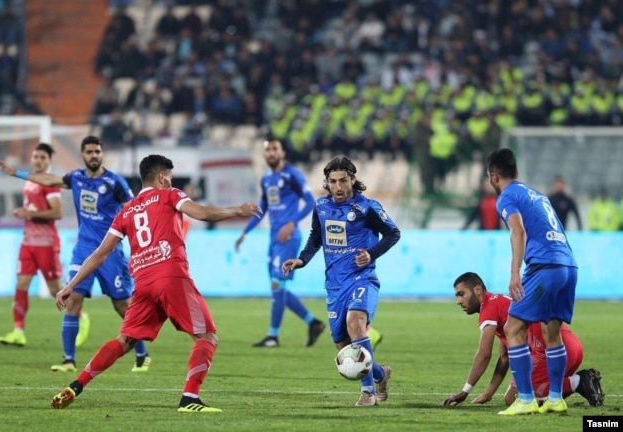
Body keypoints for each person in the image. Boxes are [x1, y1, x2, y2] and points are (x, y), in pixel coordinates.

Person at [51, 154, 262, 412]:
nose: (170, 181)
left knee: (125, 340)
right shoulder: (169, 194)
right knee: (207, 336)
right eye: (169, 177)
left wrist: (69, 285)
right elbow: (202, 213)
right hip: (171, 275)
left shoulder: (126, 211)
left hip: (142, 283)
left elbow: (99, 254)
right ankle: (190, 398)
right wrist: (237, 210)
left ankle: (77, 384)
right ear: (162, 177)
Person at [0, 135, 147, 373]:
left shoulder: (115, 182)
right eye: (89, 152)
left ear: (102, 154)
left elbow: (134, 208)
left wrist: (138, 240)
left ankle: (141, 352)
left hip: (110, 251)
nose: (94, 155)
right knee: (73, 300)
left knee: (120, 304)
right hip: (84, 250)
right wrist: (17, 173)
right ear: (82, 155)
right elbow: (49, 179)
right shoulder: (75, 178)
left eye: (97, 151)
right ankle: (69, 359)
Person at [282, 155, 401, 406]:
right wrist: (301, 260)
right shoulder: (321, 206)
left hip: (362, 279)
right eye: (333, 181)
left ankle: (367, 393)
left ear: (353, 180)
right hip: (335, 285)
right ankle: (381, 373)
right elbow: (317, 236)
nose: (338, 187)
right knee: (343, 347)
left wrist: (371, 254)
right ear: (327, 182)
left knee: (355, 322)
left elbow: (393, 233)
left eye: (343, 181)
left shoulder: (367, 207)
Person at [486, 148, 579, 415]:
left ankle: (525, 400)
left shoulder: (506, 197)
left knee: (514, 327)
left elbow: (518, 231)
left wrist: (515, 272)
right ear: (516, 172)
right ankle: (555, 398)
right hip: (568, 265)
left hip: (545, 266)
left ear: (494, 177)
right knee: (552, 332)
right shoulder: (537, 194)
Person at [441, 272, 604, 408]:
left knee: (515, 399)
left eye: (461, 294)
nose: (458, 301)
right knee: (514, 395)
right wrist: (488, 393)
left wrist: (465, 391)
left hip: (551, 351)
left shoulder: (488, 309)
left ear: (477, 290)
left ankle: (577, 382)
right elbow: (505, 358)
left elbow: (484, 354)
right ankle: (576, 384)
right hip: (568, 345)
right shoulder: (499, 303)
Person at [234, 138, 326, 348]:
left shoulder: (293, 175)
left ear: (283, 153)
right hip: (274, 238)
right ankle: (313, 322)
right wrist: (245, 232)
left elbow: (310, 201)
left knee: (277, 285)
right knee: (278, 288)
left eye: (275, 149)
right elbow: (263, 208)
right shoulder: (266, 179)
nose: (271, 153)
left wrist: (292, 224)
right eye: (267, 150)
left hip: (289, 238)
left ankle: (273, 336)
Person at [0, 143, 67, 346]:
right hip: (28, 242)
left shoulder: (50, 184)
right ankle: (18, 330)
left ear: (49, 161)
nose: (38, 160)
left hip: (46, 243)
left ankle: (79, 316)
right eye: (36, 156)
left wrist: (28, 213)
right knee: (21, 285)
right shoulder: (29, 182)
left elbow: (57, 213)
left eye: (43, 157)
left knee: (57, 290)